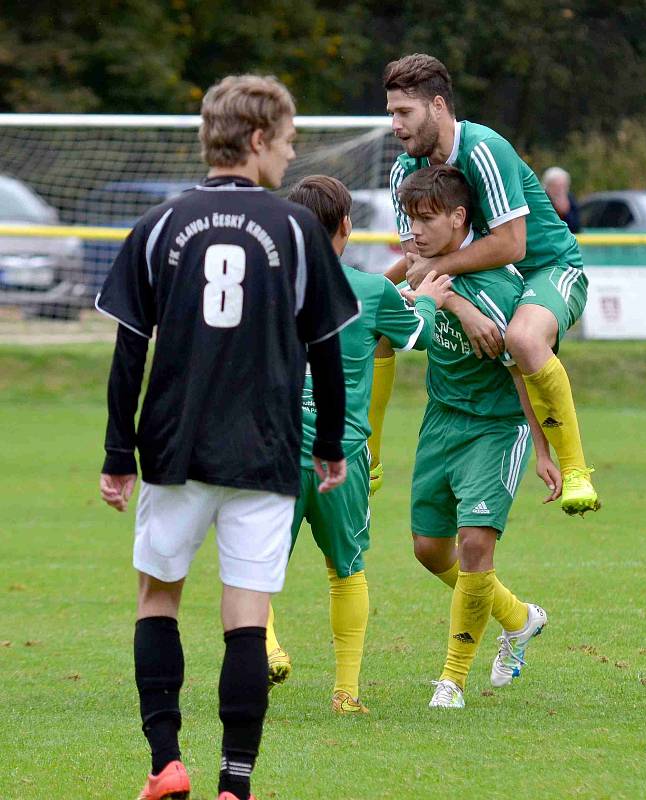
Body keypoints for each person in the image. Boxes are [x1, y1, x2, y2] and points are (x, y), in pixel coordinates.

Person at [96, 75, 359, 800]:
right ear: (256, 140)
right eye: (288, 139)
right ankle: (234, 786)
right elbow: (328, 348)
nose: (293, 150)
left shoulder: (156, 226)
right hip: (266, 450)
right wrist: (330, 442)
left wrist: (119, 454)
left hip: (174, 447)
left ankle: (165, 763)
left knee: (159, 598)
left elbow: (128, 352)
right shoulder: (297, 229)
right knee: (246, 620)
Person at [381, 53, 600, 517]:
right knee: (378, 324)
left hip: (550, 268)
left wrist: (444, 284)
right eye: (391, 114)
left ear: (438, 106)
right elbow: (420, 262)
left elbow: (513, 246)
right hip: (481, 281)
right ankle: (370, 454)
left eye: (405, 113)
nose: (395, 125)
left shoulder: (483, 149)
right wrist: (454, 305)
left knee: (522, 337)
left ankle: (576, 467)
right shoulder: (405, 170)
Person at [265, 175, 450, 713]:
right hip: (339, 454)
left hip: (274, 447)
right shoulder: (369, 292)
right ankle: (345, 694)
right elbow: (420, 334)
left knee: (253, 565)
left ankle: (269, 648)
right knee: (347, 570)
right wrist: (431, 300)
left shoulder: (268, 287)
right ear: (346, 226)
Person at [398, 164, 561, 708]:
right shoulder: (425, 273)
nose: (415, 231)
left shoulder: (500, 286)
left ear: (459, 218)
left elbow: (525, 370)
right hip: (440, 422)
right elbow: (403, 331)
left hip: (496, 430)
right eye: (410, 219)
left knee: (473, 545)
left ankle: (453, 679)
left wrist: (543, 449)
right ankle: (519, 618)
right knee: (428, 550)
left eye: (426, 220)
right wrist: (437, 300)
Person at [542, 166, 581, 233]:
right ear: (547, 186)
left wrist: (566, 212)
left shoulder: (570, 199)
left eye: (564, 186)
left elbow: (576, 227)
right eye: (556, 186)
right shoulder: (541, 201)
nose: (560, 190)